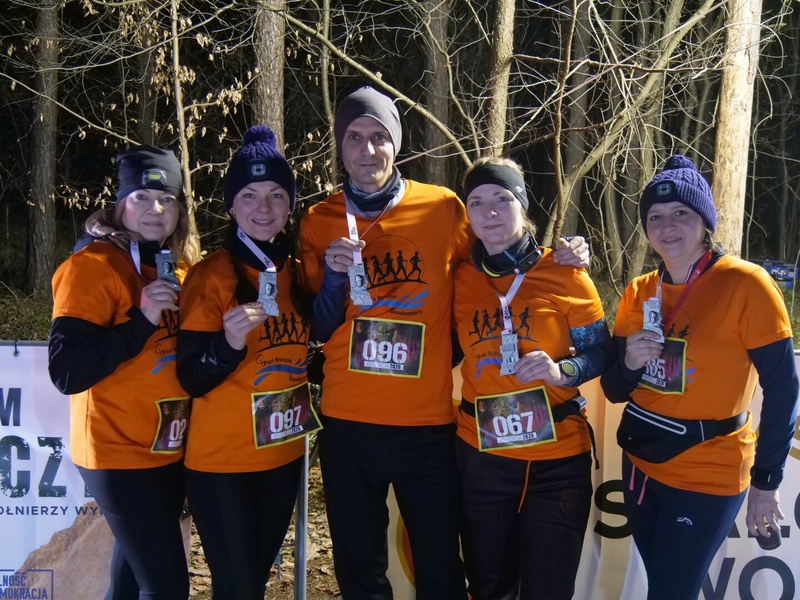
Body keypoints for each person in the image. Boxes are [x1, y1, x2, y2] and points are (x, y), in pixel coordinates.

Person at [299, 84, 589, 599]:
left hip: (427, 425)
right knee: (358, 565)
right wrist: (336, 280)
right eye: (354, 137)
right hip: (348, 420)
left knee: (440, 566)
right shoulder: (319, 219)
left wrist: (563, 254)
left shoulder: (443, 207)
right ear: (339, 145)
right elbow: (318, 328)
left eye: (379, 136)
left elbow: (500, 250)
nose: (367, 150)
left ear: (396, 144)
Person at [600, 154, 799, 600]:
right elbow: (613, 390)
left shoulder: (746, 284)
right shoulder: (639, 291)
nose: (666, 226)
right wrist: (630, 362)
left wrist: (767, 481)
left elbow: (783, 389)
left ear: (705, 222)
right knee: (664, 588)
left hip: (709, 469)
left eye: (681, 213)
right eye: (655, 216)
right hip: (642, 462)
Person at [453, 157, 614, 600]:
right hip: (481, 456)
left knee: (549, 588)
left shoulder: (565, 272)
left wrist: (563, 371)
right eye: (476, 202)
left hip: (557, 461)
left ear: (522, 206)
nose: (489, 212)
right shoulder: (459, 277)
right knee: (488, 586)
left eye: (502, 199)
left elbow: (602, 352)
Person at [48, 145, 200, 599]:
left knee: (132, 579)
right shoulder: (91, 266)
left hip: (167, 447)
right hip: (117, 452)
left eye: (168, 199)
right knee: (166, 585)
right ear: (120, 204)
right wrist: (141, 319)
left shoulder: (181, 268)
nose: (156, 209)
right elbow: (67, 371)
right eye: (142, 197)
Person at [176, 125, 320, 600]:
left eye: (277, 195)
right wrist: (229, 344)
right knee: (237, 587)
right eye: (250, 195)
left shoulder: (295, 273)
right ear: (231, 206)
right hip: (223, 464)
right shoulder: (210, 276)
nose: (264, 207)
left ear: (290, 205)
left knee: (252, 583)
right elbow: (191, 377)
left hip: (282, 456)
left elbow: (299, 357)